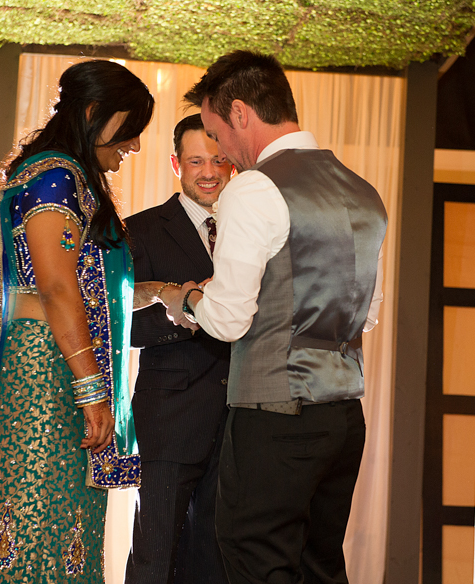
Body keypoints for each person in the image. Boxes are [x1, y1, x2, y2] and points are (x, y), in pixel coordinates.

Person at [0, 59, 154, 584]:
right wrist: (92, 389)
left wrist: (159, 294)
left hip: (55, 362)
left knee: (59, 525)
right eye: (130, 128)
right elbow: (57, 285)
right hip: (46, 372)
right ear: (94, 114)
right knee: (30, 520)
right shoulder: (55, 177)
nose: (134, 145)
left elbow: (91, 286)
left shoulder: (58, 174)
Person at [164, 51, 387, 583]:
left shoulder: (256, 187)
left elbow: (228, 318)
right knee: (319, 566)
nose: (220, 153)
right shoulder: (363, 190)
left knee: (253, 559)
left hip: (275, 415)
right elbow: (368, 313)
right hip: (343, 418)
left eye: (217, 134)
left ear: (240, 113)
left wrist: (187, 298)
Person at [124, 114, 233, 584]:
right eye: (195, 161)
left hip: (238, 424)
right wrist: (191, 312)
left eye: (217, 159)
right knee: (154, 560)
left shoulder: (248, 227)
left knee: (213, 564)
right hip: (169, 421)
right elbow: (123, 324)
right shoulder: (140, 230)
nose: (208, 172)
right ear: (175, 164)